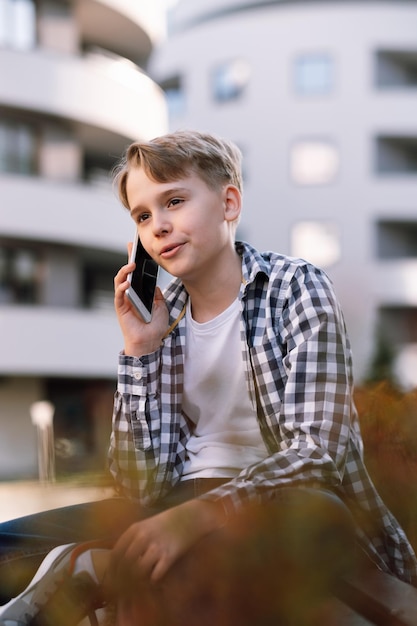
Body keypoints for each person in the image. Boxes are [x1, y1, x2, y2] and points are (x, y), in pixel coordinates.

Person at [1, 130, 416, 626]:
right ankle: (87, 567)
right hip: (175, 503)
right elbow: (138, 486)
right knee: (8, 545)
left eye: (174, 200)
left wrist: (203, 514)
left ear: (229, 203)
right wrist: (140, 351)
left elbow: (317, 453)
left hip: (290, 502)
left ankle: (92, 569)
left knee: (309, 513)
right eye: (143, 216)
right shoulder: (162, 319)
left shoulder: (295, 287)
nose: (159, 226)